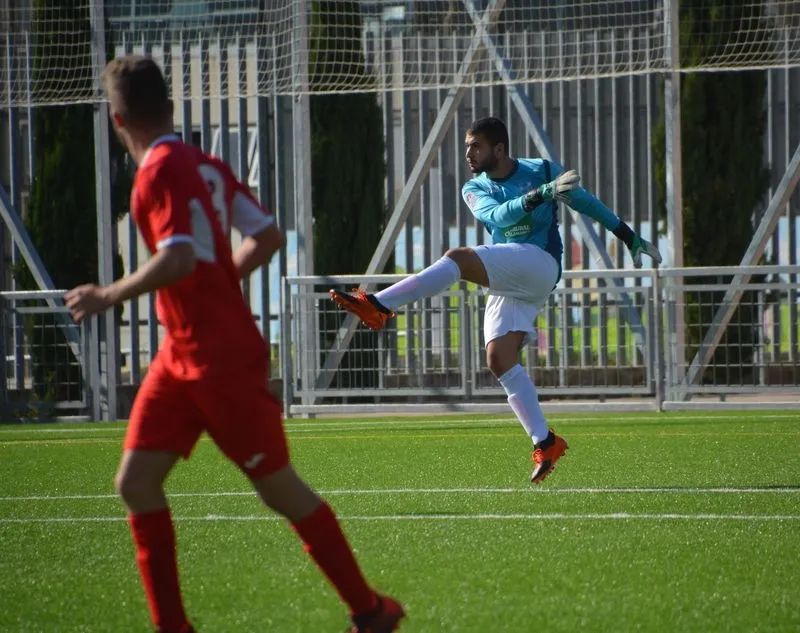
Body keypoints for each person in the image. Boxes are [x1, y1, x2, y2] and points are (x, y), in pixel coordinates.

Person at [64, 55, 405, 633]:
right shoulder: (204, 164)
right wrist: (221, 278)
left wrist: (108, 295)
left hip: (220, 356)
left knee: (280, 490)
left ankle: (371, 611)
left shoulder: (157, 171)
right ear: (169, 107)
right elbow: (266, 236)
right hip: (180, 355)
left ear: (116, 120)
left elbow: (178, 257)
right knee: (136, 482)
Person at [330, 116, 661, 483]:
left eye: (476, 146)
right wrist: (541, 195)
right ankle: (546, 441)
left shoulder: (542, 171)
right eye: (467, 146)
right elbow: (497, 216)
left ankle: (378, 305)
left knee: (457, 259)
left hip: (540, 264)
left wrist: (629, 237)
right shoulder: (474, 187)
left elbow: (586, 203)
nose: (468, 153)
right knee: (499, 359)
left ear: (499, 149)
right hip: (511, 277)